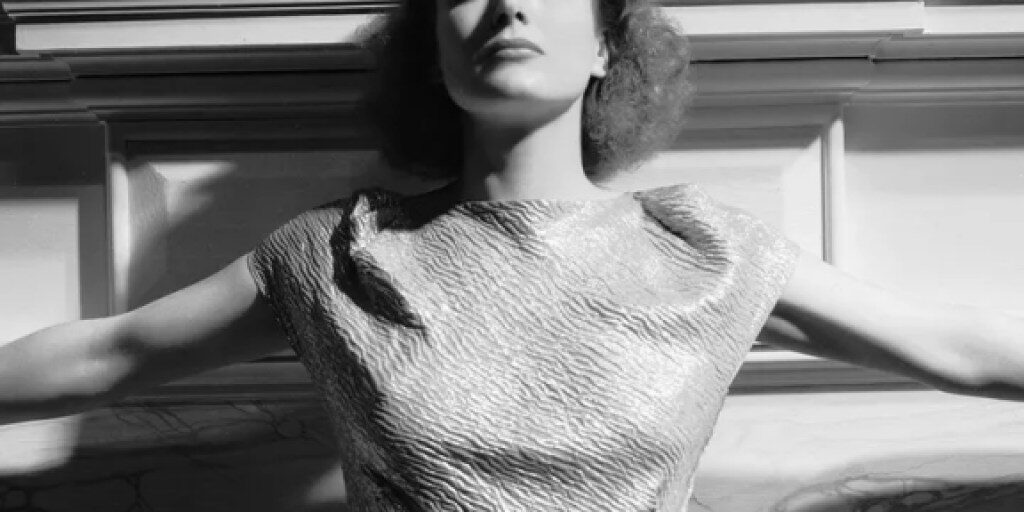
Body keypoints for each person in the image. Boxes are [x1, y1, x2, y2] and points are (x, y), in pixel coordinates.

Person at [1, 0, 1022, 510]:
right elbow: (108, 353)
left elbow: (962, 347)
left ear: (609, 45)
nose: (507, 5)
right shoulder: (339, 254)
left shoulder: (706, 252)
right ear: (430, 51)